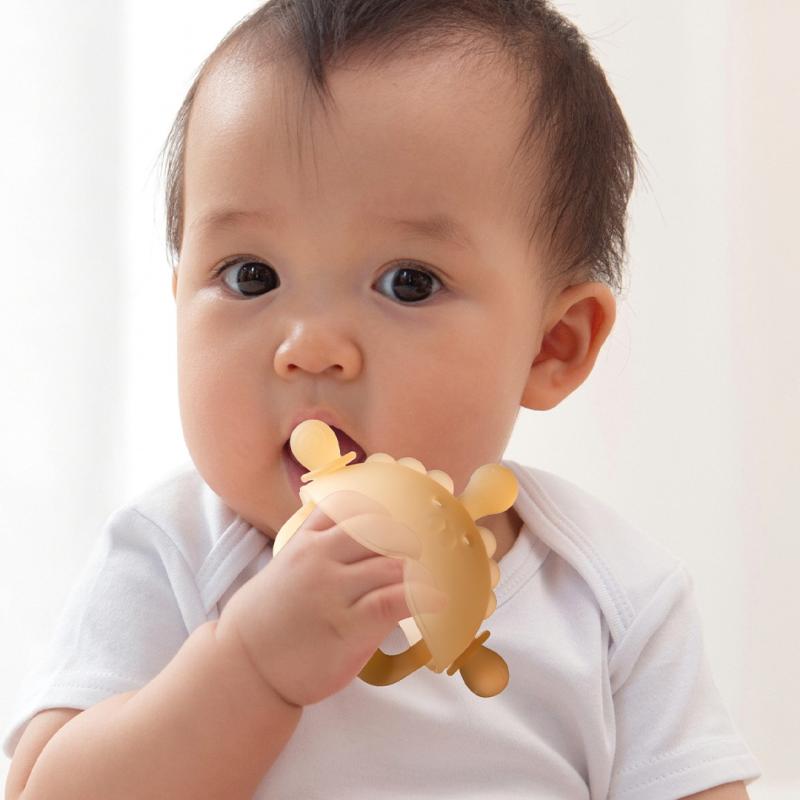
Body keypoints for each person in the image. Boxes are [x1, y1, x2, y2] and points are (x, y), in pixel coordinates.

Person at [3, 1, 761, 798]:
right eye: (251, 276)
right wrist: (251, 665)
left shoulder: (612, 600)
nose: (310, 348)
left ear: (552, 345)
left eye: (409, 283)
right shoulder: (173, 557)